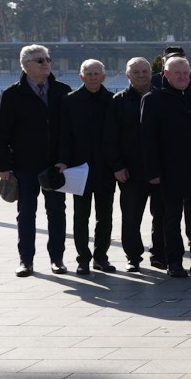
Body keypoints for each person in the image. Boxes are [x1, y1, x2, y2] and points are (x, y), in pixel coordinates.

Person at [0, 44, 73, 277]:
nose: (46, 63)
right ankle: (26, 261)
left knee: (57, 211)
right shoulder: (12, 94)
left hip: (54, 166)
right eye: (39, 60)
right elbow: (1, 133)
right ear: (25, 64)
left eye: (48, 59)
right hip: (24, 165)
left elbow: (69, 131)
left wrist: (64, 159)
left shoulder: (62, 91)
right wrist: (4, 166)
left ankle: (57, 259)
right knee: (26, 213)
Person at [141, 55, 191, 277]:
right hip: (171, 172)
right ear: (166, 74)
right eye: (177, 72)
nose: (182, 77)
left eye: (186, 73)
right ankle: (174, 262)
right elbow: (148, 140)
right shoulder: (153, 100)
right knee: (171, 220)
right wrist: (153, 171)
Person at [105, 57, 162, 272]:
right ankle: (133, 256)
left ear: (151, 73)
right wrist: (117, 166)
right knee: (131, 217)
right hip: (130, 171)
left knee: (162, 215)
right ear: (128, 75)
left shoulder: (161, 97)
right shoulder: (118, 101)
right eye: (136, 72)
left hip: (159, 169)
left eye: (144, 71)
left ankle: (159, 254)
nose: (141, 75)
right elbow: (110, 138)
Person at [59, 59, 116, 274]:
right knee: (80, 215)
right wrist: (63, 160)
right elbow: (64, 135)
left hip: (105, 167)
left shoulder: (112, 100)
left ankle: (101, 256)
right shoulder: (69, 101)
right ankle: (83, 258)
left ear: (103, 77)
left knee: (105, 215)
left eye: (97, 74)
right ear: (81, 77)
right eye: (89, 74)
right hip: (79, 168)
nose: (93, 77)